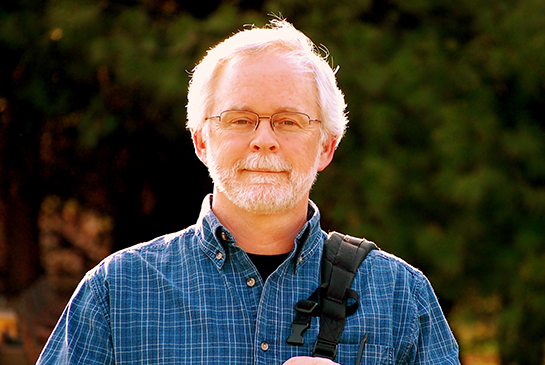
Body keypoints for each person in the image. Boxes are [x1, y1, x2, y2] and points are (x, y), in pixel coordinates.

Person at [37, 19, 460, 365]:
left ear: (326, 147)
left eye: (289, 121)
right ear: (201, 141)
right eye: (240, 120)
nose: (264, 140)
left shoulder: (400, 294)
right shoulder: (118, 291)